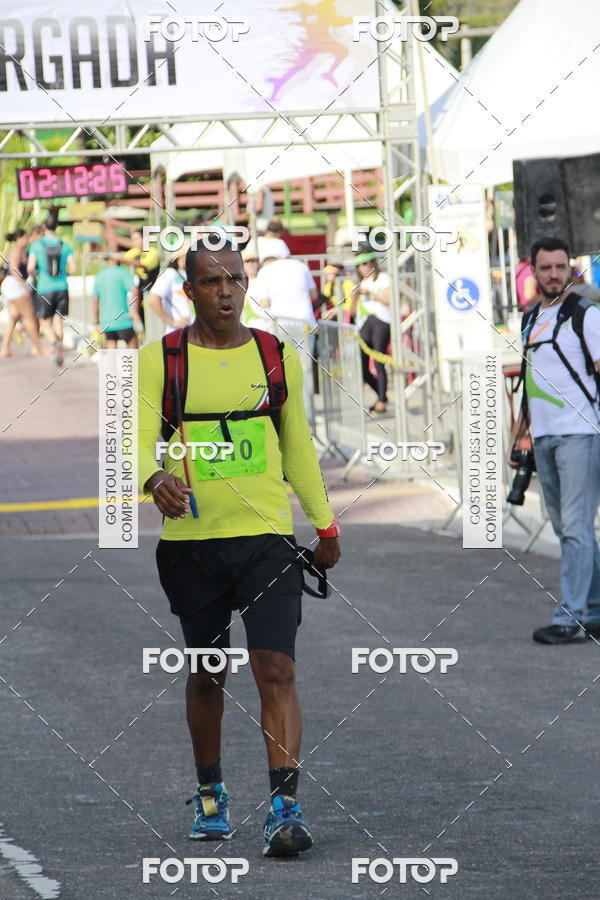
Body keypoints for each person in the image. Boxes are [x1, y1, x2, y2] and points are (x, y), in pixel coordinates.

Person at [137, 239, 341, 857]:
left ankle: (285, 809)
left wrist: (324, 526)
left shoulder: (276, 356)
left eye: (235, 279)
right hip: (193, 544)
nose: (226, 291)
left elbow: (298, 445)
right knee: (207, 673)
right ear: (189, 290)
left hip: (267, 541)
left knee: (275, 668)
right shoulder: (160, 360)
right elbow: (132, 443)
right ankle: (210, 795)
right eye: (211, 281)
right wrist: (153, 479)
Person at [509, 236, 600, 644]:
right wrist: (521, 433)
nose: (554, 274)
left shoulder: (586, 314)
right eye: (546, 268)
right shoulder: (530, 318)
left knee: (577, 526)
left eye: (560, 267)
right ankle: (595, 608)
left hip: (581, 433)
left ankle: (571, 617)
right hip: (543, 436)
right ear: (534, 270)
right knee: (566, 526)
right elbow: (531, 380)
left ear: (570, 268)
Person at [27, 209, 76, 366]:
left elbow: (30, 267)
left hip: (45, 289)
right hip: (62, 287)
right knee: (58, 321)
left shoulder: (36, 245)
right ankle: (59, 354)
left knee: (44, 323)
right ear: (57, 226)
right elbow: (73, 269)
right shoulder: (66, 245)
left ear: (44, 227)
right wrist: (63, 273)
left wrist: (37, 274)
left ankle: (55, 343)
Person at [353, 252, 391, 414]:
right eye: (359, 265)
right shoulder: (360, 282)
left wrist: (370, 293)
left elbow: (388, 300)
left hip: (380, 321)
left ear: (372, 263)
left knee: (378, 362)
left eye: (366, 263)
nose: (363, 268)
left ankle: (381, 400)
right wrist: (354, 298)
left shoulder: (383, 278)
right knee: (362, 368)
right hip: (363, 324)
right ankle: (382, 395)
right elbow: (353, 310)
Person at [0, 229, 47, 358]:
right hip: (15, 286)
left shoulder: (19, 249)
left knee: (14, 317)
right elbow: (14, 269)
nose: (27, 240)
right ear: (19, 239)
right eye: (25, 238)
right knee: (30, 316)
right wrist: (24, 287)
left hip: (12, 285)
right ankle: (39, 347)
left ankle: (4, 348)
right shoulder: (16, 250)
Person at [90, 255, 140, 350]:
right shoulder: (123, 272)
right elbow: (135, 291)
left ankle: (112, 365)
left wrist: (96, 321)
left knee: (111, 347)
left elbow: (94, 299)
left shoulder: (99, 275)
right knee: (132, 345)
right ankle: (131, 365)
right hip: (122, 319)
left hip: (106, 321)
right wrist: (135, 311)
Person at [117, 228, 160, 325]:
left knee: (153, 324)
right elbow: (121, 257)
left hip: (153, 294)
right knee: (141, 321)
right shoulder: (135, 251)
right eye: (132, 240)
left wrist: (126, 260)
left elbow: (143, 265)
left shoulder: (152, 252)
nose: (134, 242)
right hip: (141, 294)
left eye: (137, 239)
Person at [146, 247, 194, 333]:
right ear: (179, 257)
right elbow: (153, 299)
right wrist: (172, 323)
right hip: (177, 333)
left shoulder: (184, 274)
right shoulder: (169, 273)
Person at [240, 243, 272, 332]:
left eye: (253, 261)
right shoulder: (238, 285)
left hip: (269, 328)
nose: (250, 264)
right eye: (247, 261)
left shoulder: (265, 280)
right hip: (250, 329)